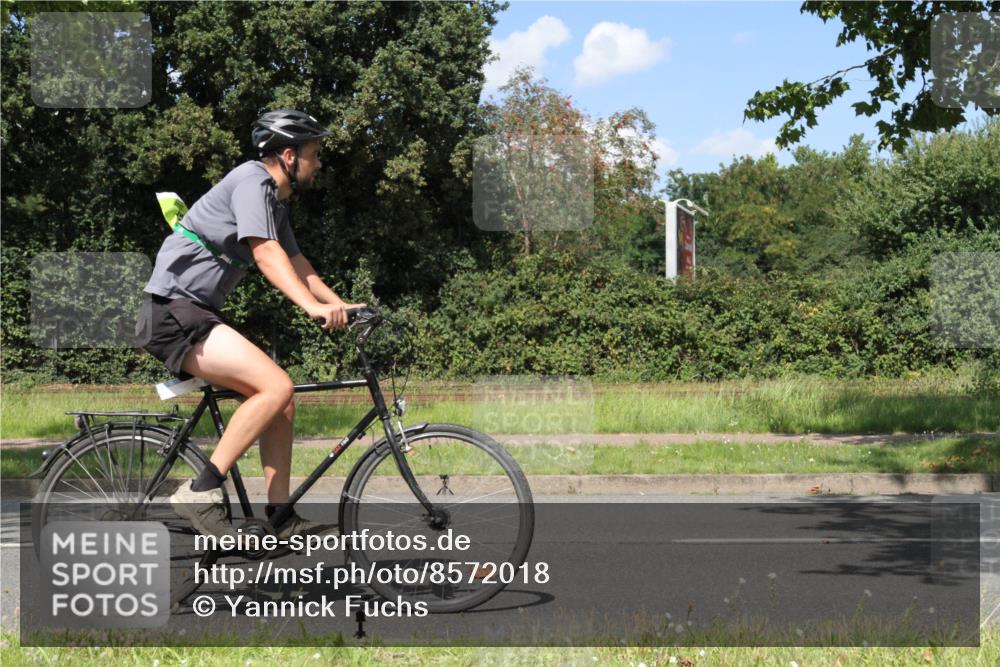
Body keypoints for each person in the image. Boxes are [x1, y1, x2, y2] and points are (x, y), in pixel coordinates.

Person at [136, 109, 364, 539]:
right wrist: (310, 309)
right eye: (315, 155)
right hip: (172, 309)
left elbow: (299, 263)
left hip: (192, 310)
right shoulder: (250, 180)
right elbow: (266, 255)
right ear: (289, 156)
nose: (320, 164)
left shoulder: (273, 203)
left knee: (282, 399)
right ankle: (200, 491)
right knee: (277, 386)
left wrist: (343, 306)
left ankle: (279, 516)